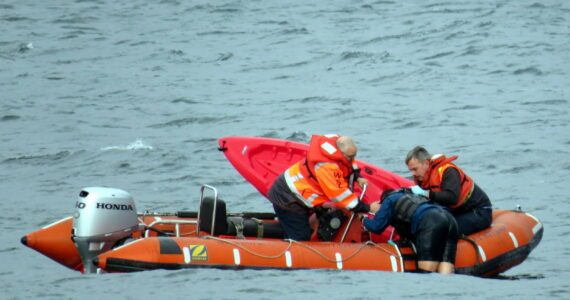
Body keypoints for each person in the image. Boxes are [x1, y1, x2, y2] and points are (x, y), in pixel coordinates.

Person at [267, 134, 379, 241]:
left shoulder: (336, 145)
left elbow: (350, 163)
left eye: (354, 155)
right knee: (300, 237)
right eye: (350, 156)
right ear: (341, 152)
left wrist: (357, 176)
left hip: (296, 192)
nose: (352, 159)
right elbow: (341, 197)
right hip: (288, 198)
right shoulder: (327, 167)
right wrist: (368, 208)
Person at [363, 188, 458, 274]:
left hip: (431, 220)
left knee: (427, 272)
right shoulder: (415, 196)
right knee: (446, 264)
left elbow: (376, 227)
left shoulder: (389, 200)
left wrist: (364, 219)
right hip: (450, 218)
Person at [405, 146, 492, 236]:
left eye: (415, 169)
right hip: (457, 212)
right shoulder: (422, 177)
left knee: (444, 231)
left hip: (478, 212)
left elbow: (452, 198)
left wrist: (425, 193)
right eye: (410, 170)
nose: (413, 174)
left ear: (426, 163)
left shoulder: (448, 171)